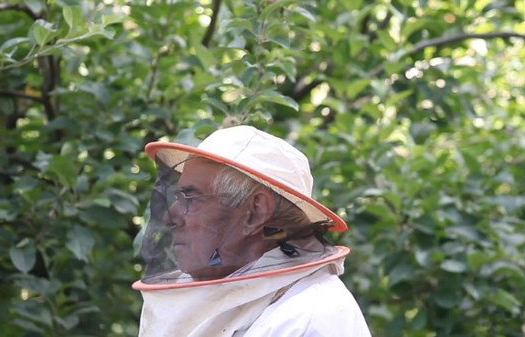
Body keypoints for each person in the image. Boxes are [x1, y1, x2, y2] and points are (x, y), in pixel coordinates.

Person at [133, 125, 372, 337]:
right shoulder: (242, 300)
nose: (169, 217)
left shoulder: (308, 317)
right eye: (177, 197)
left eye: (191, 198)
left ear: (255, 212)